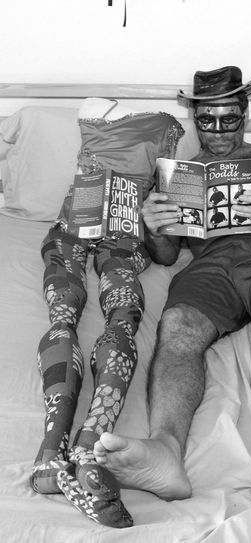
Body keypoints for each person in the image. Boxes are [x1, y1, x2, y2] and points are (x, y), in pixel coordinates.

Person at [93, 66, 251, 504]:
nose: (218, 131)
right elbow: (166, 256)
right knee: (177, 323)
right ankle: (165, 451)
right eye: (207, 120)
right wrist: (154, 228)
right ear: (195, 119)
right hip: (212, 264)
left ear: (245, 115)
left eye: (229, 118)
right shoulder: (181, 173)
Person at [31, 101, 184, 528]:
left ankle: (50, 456)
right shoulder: (167, 132)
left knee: (65, 317)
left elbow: (170, 249)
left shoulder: (98, 113)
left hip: (80, 234)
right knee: (121, 319)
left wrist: (161, 219)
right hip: (116, 241)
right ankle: (87, 448)